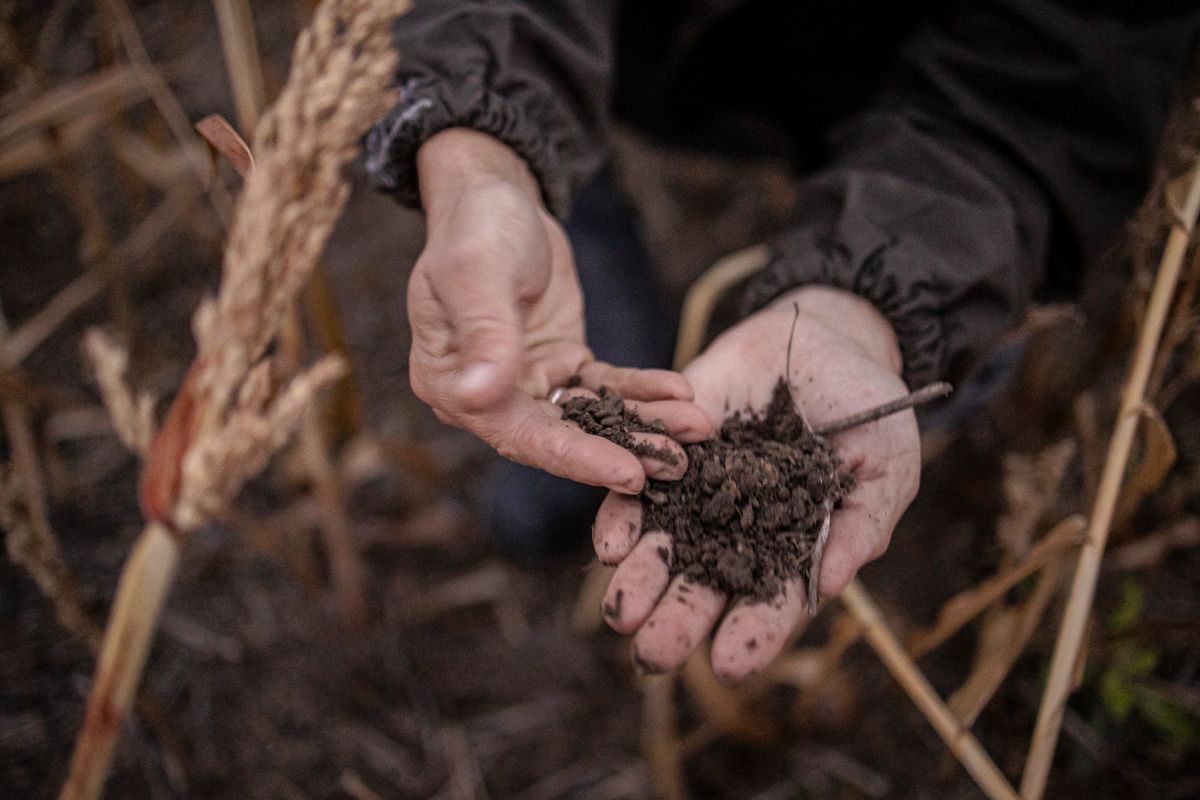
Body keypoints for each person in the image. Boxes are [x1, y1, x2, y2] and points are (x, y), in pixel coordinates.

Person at [364, 1, 1200, 682]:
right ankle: (577, 288)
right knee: (562, 305)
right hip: (609, 53)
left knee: (940, 324)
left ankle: (905, 306)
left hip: (904, 88)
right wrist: (482, 156)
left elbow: (1052, 86)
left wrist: (866, 305)